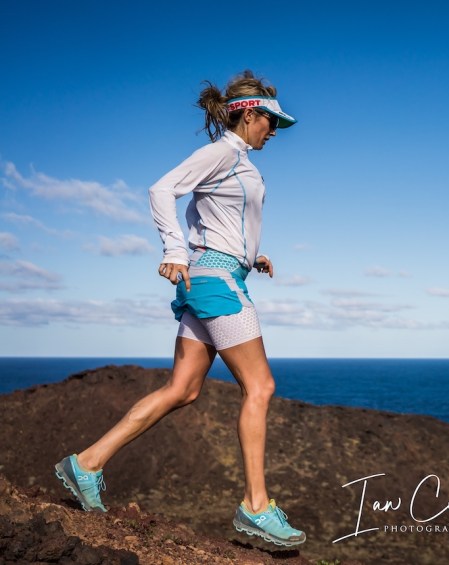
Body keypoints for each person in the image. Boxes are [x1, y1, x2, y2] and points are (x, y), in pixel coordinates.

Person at [54, 70, 305, 548]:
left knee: (183, 390)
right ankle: (256, 506)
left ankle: (86, 463)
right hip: (216, 284)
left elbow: (217, 220)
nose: (274, 131)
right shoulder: (222, 153)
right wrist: (173, 249)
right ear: (249, 114)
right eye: (271, 121)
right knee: (261, 387)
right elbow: (161, 190)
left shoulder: (238, 161)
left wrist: (252, 257)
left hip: (213, 278)